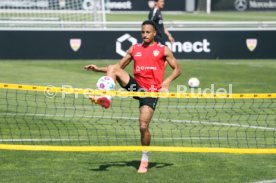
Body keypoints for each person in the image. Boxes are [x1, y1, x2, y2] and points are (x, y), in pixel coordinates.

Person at [84, 20, 181, 173]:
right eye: (143, 32)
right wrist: (97, 69)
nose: (145, 35)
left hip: (150, 92)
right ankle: (106, 98)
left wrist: (166, 82)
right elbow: (117, 68)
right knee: (113, 68)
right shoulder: (134, 48)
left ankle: (144, 158)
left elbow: (177, 69)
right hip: (136, 87)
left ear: (154, 33)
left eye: (148, 32)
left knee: (143, 126)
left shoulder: (163, 49)